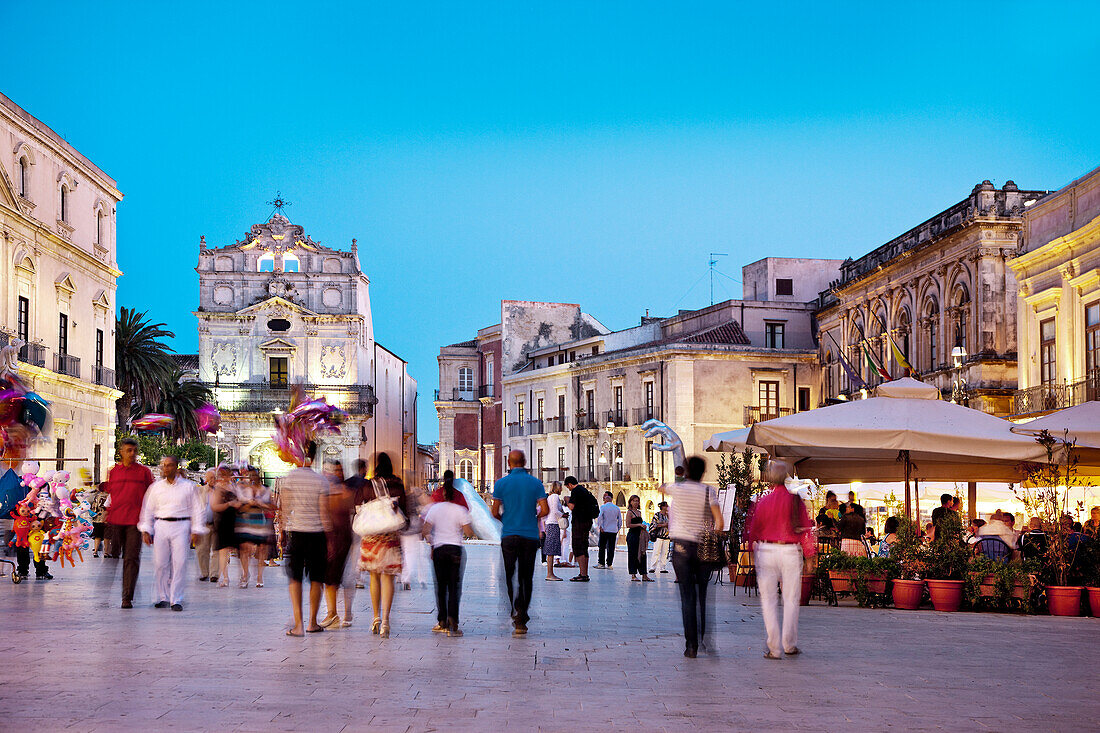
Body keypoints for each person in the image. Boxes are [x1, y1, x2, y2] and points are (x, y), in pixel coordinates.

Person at [746, 459, 813, 660]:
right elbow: (805, 529)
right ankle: (789, 644)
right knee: (791, 599)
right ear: (786, 477)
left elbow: (753, 529)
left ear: (769, 478)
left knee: (768, 600)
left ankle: (774, 647)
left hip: (766, 550)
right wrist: (809, 555)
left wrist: (751, 550)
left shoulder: (763, 501)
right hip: (790, 551)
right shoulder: (795, 501)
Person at [668, 456, 723, 658]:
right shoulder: (709, 491)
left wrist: (681, 477)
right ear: (703, 472)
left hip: (681, 549)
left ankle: (691, 646)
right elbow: (720, 522)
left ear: (688, 471)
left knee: (687, 597)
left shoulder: (677, 488)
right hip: (702, 549)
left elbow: (662, 488)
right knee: (702, 596)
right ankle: (704, 638)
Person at [136, 455, 206, 611]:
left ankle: (176, 599)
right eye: (164, 465)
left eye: (170, 465)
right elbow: (148, 509)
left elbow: (197, 509)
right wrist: (146, 529)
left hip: (182, 525)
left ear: (176, 467)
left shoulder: (188, 487)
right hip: (161, 525)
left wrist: (196, 529)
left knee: (180, 563)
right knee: (160, 563)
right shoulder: (155, 488)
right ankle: (163, 597)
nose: (166, 468)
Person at [491, 450, 549, 637]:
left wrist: (506, 519)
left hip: (509, 535)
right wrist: (533, 517)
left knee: (509, 574)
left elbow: (493, 512)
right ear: (524, 462)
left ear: (509, 463)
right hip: (529, 536)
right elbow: (545, 509)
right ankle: (522, 616)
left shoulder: (501, 483)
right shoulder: (535, 483)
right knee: (526, 576)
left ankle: (514, 608)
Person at [280, 441, 330, 637]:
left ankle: (298, 625)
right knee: (316, 579)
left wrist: (283, 531)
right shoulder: (321, 481)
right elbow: (324, 512)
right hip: (317, 534)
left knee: (295, 578)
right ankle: (312, 622)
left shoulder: (289, 478)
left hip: (297, 532)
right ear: (315, 457)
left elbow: (285, 507)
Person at [358, 452, 409, 638]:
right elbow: (404, 509)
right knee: (388, 578)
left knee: (374, 578)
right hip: (390, 537)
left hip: (372, 537)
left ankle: (376, 617)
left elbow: (358, 505)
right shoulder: (397, 483)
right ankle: (386, 621)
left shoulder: (368, 484)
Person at [104, 437, 155, 609]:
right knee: (114, 557)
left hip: (135, 522)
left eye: (134, 450)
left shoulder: (144, 472)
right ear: (121, 452)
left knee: (131, 558)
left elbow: (152, 497)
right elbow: (112, 494)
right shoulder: (114, 472)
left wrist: (149, 524)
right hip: (115, 521)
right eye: (128, 450)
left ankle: (127, 596)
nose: (132, 454)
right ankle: (112, 589)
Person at [422, 473, 473, 637]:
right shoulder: (460, 509)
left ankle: (442, 621)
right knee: (454, 586)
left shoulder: (435, 508)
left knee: (441, 587)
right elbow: (469, 532)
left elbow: (425, 531)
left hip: (439, 549)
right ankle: (454, 620)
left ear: (443, 492)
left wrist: (432, 541)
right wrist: (462, 528)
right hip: (455, 549)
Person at [320, 460, 357, 629]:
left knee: (344, 578)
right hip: (331, 538)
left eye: (339, 470)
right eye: (334, 471)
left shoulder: (345, 491)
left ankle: (346, 613)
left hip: (344, 538)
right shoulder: (329, 492)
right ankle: (332, 613)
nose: (337, 473)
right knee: (331, 578)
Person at [236, 466, 275, 588]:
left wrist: (261, 504)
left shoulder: (265, 490)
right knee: (245, 549)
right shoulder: (244, 490)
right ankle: (245, 574)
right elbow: (239, 506)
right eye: (250, 476)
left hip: (259, 520)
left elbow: (271, 506)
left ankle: (259, 576)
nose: (252, 478)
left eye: (254, 476)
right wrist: (249, 504)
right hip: (246, 520)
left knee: (262, 548)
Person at [209, 465, 240, 587]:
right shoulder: (218, 489)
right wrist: (229, 504)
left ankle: (242, 576)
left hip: (233, 520)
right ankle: (225, 577)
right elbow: (214, 506)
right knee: (223, 551)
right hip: (222, 520)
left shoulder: (233, 487)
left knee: (235, 550)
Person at [565, 476, 598, 582]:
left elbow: (571, 507)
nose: (568, 489)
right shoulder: (585, 490)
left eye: (567, 487)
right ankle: (585, 573)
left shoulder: (575, 491)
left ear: (570, 484)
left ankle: (582, 574)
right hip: (587, 522)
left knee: (578, 547)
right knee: (584, 546)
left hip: (579, 522)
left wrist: (567, 500)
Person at [193, 469, 217, 581]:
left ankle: (214, 574)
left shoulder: (220, 491)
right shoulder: (200, 491)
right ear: (206, 479)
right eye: (211, 477)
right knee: (202, 550)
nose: (213, 480)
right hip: (204, 524)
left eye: (215, 477)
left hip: (216, 525)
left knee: (216, 550)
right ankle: (204, 572)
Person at [625, 495, 652, 581]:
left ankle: (644, 574)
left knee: (643, 554)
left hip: (640, 536)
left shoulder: (639, 512)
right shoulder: (629, 512)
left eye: (637, 501)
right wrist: (639, 525)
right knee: (633, 555)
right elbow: (628, 525)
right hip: (633, 536)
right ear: (630, 502)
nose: (636, 502)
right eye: (634, 501)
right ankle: (633, 575)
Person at [543, 481, 565, 581]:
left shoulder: (550, 497)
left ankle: (550, 573)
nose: (562, 489)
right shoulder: (555, 497)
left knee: (551, 549)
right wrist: (563, 515)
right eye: (561, 487)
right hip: (553, 524)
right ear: (557, 488)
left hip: (550, 523)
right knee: (551, 549)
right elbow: (555, 511)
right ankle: (550, 574)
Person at [596, 492, 622, 569]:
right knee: (611, 548)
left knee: (602, 547)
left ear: (605, 500)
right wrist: (618, 528)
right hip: (613, 530)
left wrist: (600, 526)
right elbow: (620, 520)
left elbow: (600, 517)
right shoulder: (617, 508)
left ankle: (601, 563)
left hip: (604, 530)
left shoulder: (603, 507)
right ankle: (609, 564)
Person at [649, 501, 670, 574]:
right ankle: (653, 567)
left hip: (667, 536)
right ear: (662, 507)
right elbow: (654, 525)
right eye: (666, 506)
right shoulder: (657, 515)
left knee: (665, 553)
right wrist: (664, 525)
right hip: (658, 536)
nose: (667, 507)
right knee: (656, 551)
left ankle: (663, 567)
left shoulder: (669, 516)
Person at [89, 482, 108, 558]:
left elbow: (93, 507)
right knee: (107, 537)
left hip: (96, 519)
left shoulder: (97, 496)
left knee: (97, 536)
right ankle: (106, 552)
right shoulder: (109, 496)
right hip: (106, 519)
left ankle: (95, 551)